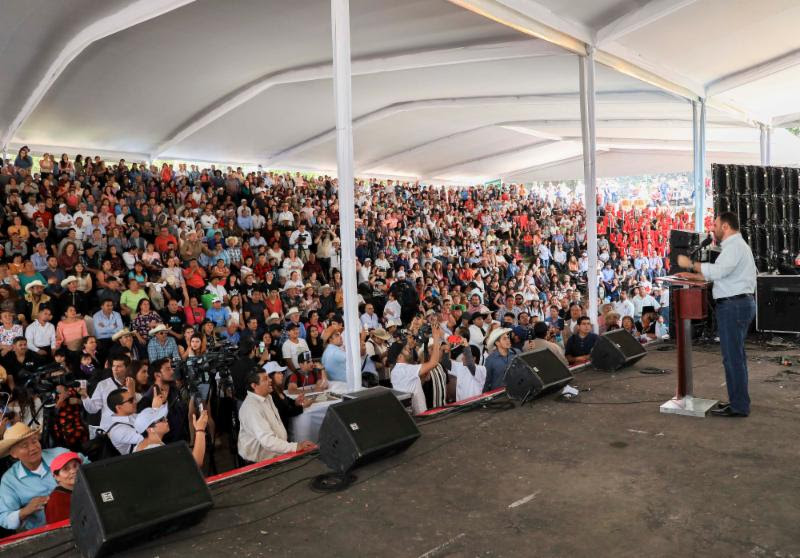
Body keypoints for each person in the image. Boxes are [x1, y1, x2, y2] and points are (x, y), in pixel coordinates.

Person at [676, 212, 757, 417]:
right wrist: (692, 276)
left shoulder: (734, 247)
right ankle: (739, 401)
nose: (712, 228)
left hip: (733, 306)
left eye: (715, 224)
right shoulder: (736, 246)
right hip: (738, 304)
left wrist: (691, 264)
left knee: (733, 359)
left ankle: (739, 406)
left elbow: (719, 272)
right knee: (736, 357)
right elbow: (722, 273)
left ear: (726, 226)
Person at [0, 423, 87, 531]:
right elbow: (3, 518)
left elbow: (90, 467)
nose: (33, 448)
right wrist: (25, 511)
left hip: (84, 516)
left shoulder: (60, 454)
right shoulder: (9, 480)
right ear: (14, 453)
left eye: (34, 441)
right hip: (44, 532)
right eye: (24, 446)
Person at [237, 369, 315, 464]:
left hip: (274, 454)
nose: (270, 380)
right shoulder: (251, 408)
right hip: (258, 462)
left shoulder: (268, 397)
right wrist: (295, 447)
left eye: (269, 377)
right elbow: (267, 440)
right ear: (254, 385)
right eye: (265, 379)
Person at [388, 323, 443, 415]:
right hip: (419, 416)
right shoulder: (405, 369)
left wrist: (422, 378)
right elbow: (434, 362)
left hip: (414, 415)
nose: (409, 350)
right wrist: (436, 338)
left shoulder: (396, 370)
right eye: (405, 349)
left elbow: (413, 386)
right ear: (399, 356)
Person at [133, 405, 208, 468]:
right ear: (150, 429)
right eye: (161, 419)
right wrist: (200, 429)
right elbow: (195, 464)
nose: (166, 419)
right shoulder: (157, 451)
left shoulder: (139, 446)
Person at [80, 354, 135, 429]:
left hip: (130, 428)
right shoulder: (103, 385)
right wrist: (84, 396)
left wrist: (132, 390)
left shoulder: (134, 383)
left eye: (119, 366)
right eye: (113, 366)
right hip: (108, 429)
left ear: (127, 368)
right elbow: (93, 409)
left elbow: (137, 409)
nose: (115, 369)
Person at [44, 451, 82, 523]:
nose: (73, 471)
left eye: (75, 466)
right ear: (56, 477)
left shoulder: (85, 487)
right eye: (66, 469)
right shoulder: (56, 500)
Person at [481, 327, 516, 392]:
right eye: (504, 339)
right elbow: (487, 381)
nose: (508, 340)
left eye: (508, 337)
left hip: (515, 391)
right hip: (499, 395)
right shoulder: (490, 360)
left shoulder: (516, 354)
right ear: (497, 343)